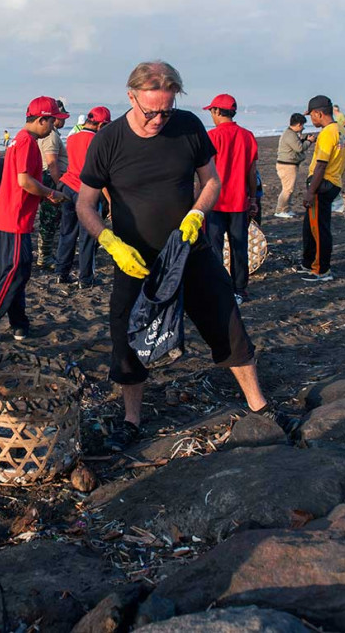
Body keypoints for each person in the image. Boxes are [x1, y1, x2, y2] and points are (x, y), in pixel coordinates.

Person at [75, 61, 291, 452]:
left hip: (190, 250)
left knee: (228, 324)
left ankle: (260, 406)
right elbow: (85, 204)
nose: (159, 119)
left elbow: (212, 181)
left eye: (166, 110)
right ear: (131, 96)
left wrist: (196, 213)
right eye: (150, 110)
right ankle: (131, 419)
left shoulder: (189, 126)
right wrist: (109, 242)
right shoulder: (107, 141)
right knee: (127, 339)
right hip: (135, 260)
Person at [0, 97, 68, 342]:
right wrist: (51, 193)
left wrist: (43, 195)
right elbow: (25, 182)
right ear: (42, 119)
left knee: (15, 273)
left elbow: (21, 182)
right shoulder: (26, 142)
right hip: (14, 219)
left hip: (9, 216)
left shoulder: (20, 141)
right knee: (16, 272)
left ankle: (19, 325)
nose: (54, 126)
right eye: (53, 121)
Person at [203, 93, 258, 305]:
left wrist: (198, 200)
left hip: (215, 202)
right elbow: (252, 172)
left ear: (217, 111)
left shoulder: (213, 136)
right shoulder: (248, 136)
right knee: (239, 247)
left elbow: (205, 172)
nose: (211, 115)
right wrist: (253, 198)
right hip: (239, 202)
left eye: (212, 111)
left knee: (215, 248)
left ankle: (219, 288)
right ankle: (240, 289)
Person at [55, 106, 112, 288]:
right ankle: (86, 278)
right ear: (101, 124)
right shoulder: (97, 141)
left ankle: (61, 273)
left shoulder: (72, 137)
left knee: (67, 232)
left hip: (68, 187)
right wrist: (110, 200)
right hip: (86, 191)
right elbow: (99, 174)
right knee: (88, 236)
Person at [300, 95, 345, 283]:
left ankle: (322, 270)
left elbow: (321, 165)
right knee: (310, 226)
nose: (311, 120)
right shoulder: (341, 129)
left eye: (312, 115)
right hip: (334, 181)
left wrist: (311, 191)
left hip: (323, 183)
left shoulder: (328, 133)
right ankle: (308, 262)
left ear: (319, 113)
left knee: (319, 229)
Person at [36, 99, 70, 269]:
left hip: (48, 177)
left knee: (51, 219)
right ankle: (45, 257)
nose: (64, 121)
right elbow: (52, 163)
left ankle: (45, 254)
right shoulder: (51, 136)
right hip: (50, 178)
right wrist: (59, 185)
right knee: (49, 219)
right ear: (54, 119)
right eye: (62, 118)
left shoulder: (52, 134)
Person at [275, 113, 314, 218]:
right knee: (287, 189)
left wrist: (303, 138)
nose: (303, 128)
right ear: (299, 124)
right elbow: (299, 148)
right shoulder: (290, 134)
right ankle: (280, 210)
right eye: (302, 126)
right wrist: (309, 142)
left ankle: (286, 209)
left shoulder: (291, 134)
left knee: (289, 189)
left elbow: (297, 145)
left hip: (289, 164)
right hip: (287, 165)